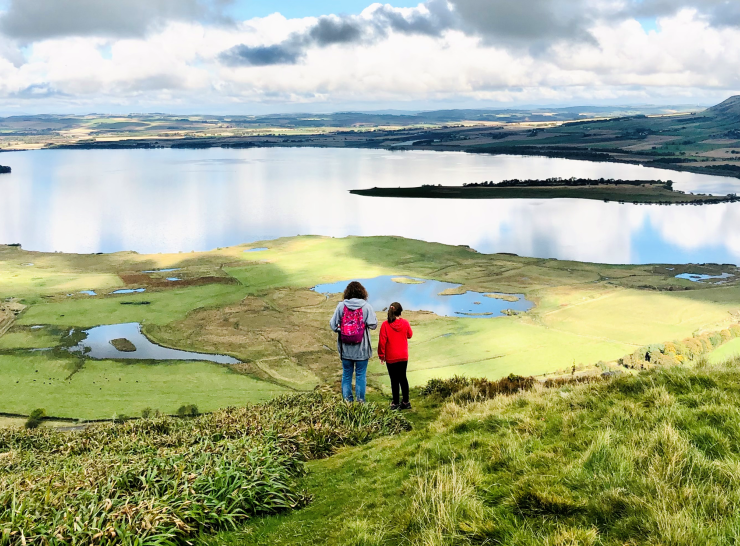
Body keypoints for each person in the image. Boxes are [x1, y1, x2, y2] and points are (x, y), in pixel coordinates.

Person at [330, 281, 377, 402]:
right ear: (362, 293)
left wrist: (341, 329)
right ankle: (360, 402)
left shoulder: (341, 306)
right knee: (361, 375)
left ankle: (347, 403)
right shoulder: (366, 307)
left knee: (346, 375)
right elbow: (373, 325)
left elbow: (332, 325)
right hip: (362, 350)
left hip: (346, 350)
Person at [378, 302, 413, 410]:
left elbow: (382, 342)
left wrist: (381, 355)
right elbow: (410, 335)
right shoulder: (405, 323)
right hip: (403, 356)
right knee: (403, 378)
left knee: (394, 380)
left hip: (391, 357)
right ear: (400, 312)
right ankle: (406, 402)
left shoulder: (385, 325)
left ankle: (396, 403)